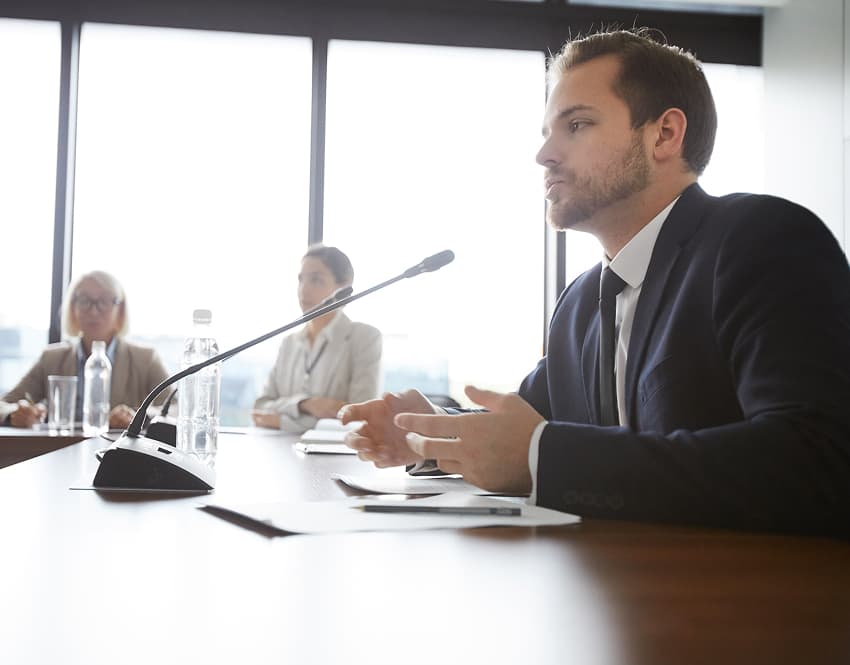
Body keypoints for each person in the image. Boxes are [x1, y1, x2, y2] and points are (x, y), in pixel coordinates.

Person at [340, 28, 850, 536]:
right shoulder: (581, 303)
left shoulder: (760, 239)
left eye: (577, 125)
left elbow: (815, 459)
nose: (545, 155)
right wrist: (427, 433)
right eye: (546, 133)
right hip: (614, 593)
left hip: (744, 602)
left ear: (664, 135)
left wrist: (544, 458)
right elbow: (524, 433)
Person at [1, 270, 171, 429]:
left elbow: (175, 409)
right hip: (59, 453)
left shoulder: (145, 359)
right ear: (72, 308)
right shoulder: (51, 358)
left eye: (104, 301)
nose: (93, 311)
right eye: (84, 301)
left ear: (120, 310)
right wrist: (15, 414)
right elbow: (4, 405)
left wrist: (138, 416)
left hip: (121, 457)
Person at [252, 244, 382, 433]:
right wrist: (305, 404)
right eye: (300, 280)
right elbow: (260, 408)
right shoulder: (289, 343)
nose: (304, 290)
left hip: (336, 459)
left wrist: (282, 421)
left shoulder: (364, 338)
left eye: (316, 280)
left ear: (344, 286)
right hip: (281, 453)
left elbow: (359, 418)